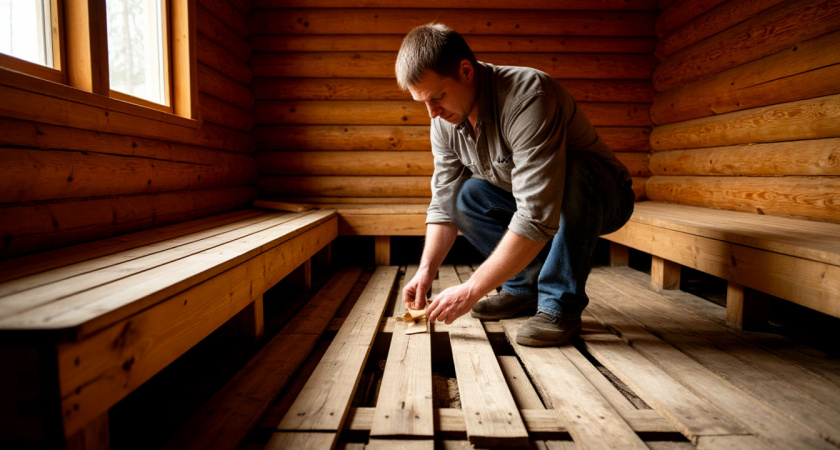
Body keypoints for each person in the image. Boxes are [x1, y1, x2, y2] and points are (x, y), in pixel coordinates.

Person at [397, 23, 635, 346]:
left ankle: (559, 305)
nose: (432, 113)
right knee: (464, 196)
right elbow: (442, 203)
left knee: (577, 169)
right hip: (543, 207)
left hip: (602, 197)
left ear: (466, 71)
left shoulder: (529, 97)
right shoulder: (443, 119)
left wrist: (472, 289)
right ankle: (524, 287)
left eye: (437, 97)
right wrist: (426, 271)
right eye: (422, 102)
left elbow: (536, 214)